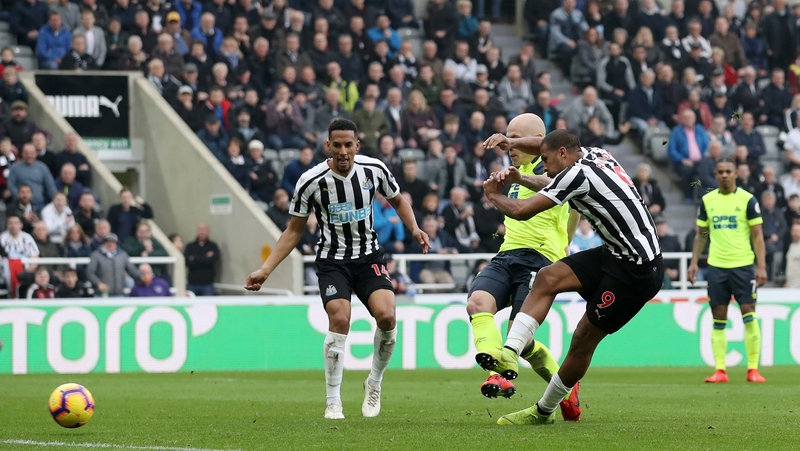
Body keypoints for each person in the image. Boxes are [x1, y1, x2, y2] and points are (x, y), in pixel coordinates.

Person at [245, 118, 431, 420]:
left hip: (368, 257)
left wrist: (414, 228)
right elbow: (294, 230)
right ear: (327, 146)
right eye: (337, 145)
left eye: (349, 145)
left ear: (357, 146)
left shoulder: (374, 170)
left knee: (387, 316)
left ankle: (374, 382)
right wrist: (266, 269)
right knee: (340, 318)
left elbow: (398, 201)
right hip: (333, 261)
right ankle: (333, 400)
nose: (343, 151)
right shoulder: (311, 181)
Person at [476, 129, 664, 425]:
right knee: (548, 277)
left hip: (636, 272)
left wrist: (493, 196)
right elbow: (544, 153)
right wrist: (512, 145)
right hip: (615, 253)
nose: (544, 165)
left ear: (563, 153)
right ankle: (510, 353)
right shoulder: (597, 154)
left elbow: (523, 210)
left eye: (547, 160)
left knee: (582, 340)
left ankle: (543, 410)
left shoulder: (576, 175)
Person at [465, 114, 581, 421]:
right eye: (506, 136)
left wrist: (563, 245)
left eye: (515, 137)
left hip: (540, 261)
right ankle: (502, 371)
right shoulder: (511, 173)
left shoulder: (554, 167)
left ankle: (507, 373)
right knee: (477, 303)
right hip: (507, 256)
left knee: (518, 334)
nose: (508, 144)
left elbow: (559, 187)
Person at [688, 157, 767, 384]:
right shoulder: (707, 200)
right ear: (716, 174)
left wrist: (761, 266)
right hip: (716, 266)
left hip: (743, 266)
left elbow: (758, 236)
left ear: (735, 174)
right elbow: (700, 234)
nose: (724, 175)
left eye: (728, 171)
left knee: (749, 314)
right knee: (718, 317)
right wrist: (694, 262)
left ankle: (753, 369)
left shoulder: (748, 200)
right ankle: (720, 370)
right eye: (720, 171)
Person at [86, 232, 142, 297]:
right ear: (104, 243)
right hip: (101, 295)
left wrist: (142, 276)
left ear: (116, 243)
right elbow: (89, 272)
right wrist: (98, 283)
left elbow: (132, 270)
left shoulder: (122, 255)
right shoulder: (96, 255)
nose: (110, 243)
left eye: (113, 241)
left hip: (119, 294)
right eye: (108, 241)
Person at [185, 222, 219, 296]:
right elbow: (187, 262)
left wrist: (195, 258)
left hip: (207, 284)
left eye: (204, 229)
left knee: (207, 306)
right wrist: (205, 257)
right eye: (200, 229)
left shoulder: (213, 246)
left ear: (208, 231)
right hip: (192, 283)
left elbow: (214, 260)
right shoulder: (190, 246)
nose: (202, 232)